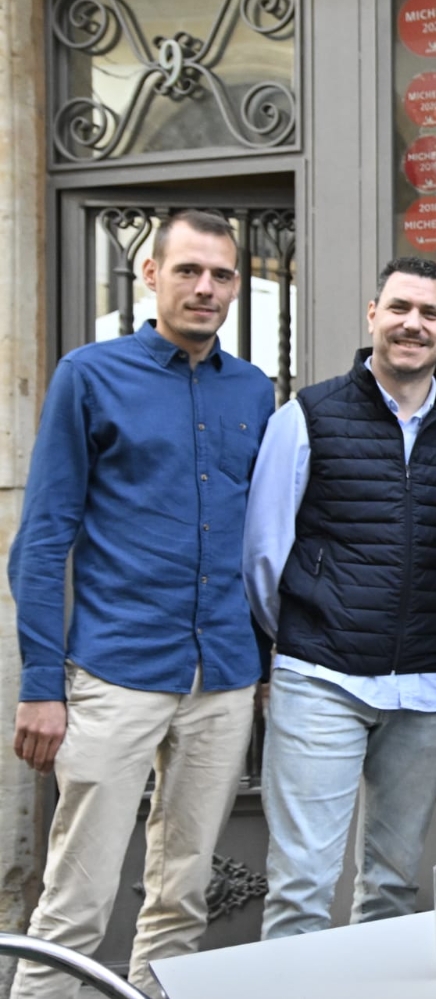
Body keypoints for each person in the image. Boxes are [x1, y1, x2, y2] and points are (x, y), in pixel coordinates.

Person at [8, 210, 275, 999]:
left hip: (221, 673)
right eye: (188, 270)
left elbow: (263, 536)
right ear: (150, 275)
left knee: (183, 891)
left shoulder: (253, 390)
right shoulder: (88, 375)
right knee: (76, 899)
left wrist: (263, 660)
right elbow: (41, 538)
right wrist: (39, 682)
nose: (205, 287)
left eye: (221, 274)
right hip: (117, 668)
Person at [243, 256, 436, 938]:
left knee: (391, 885)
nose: (412, 323)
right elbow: (264, 553)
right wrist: (301, 635)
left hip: (427, 690)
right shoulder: (307, 415)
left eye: (429, 313)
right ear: (372, 315)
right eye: (399, 308)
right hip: (320, 679)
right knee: (302, 887)